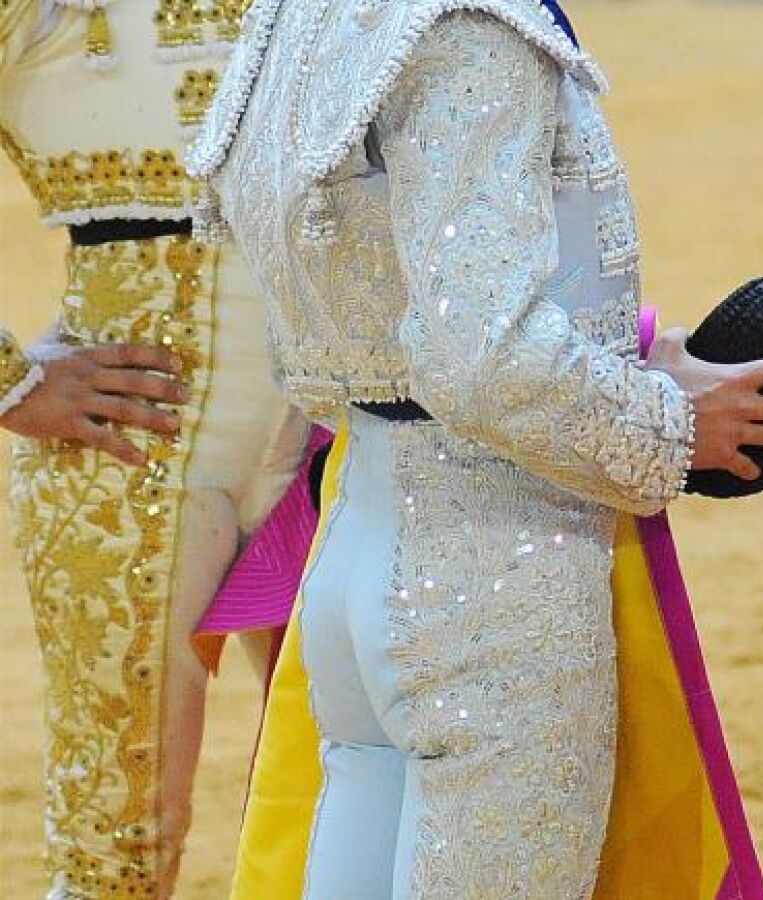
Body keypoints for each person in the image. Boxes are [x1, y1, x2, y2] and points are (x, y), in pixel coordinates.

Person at [186, 0, 763, 894]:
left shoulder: (302, 13)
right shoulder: (470, 27)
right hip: (495, 570)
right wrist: (669, 422)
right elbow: (484, 357)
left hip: (358, 537)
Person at [0, 0, 309, 895]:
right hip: (128, 454)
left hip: (337, 431)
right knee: (121, 840)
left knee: (353, 793)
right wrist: (13, 385)